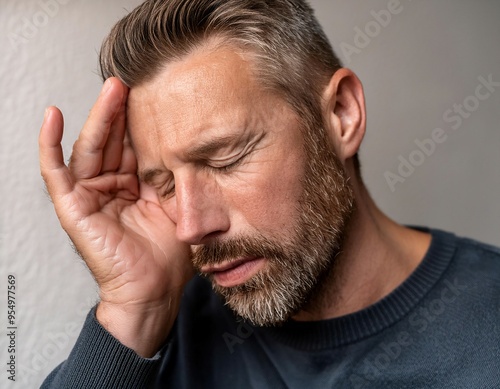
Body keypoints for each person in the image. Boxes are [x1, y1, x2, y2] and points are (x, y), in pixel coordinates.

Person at [39, 0, 499, 388]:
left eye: (225, 159)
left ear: (341, 114)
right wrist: (133, 310)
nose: (191, 226)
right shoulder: (155, 339)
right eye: (164, 184)